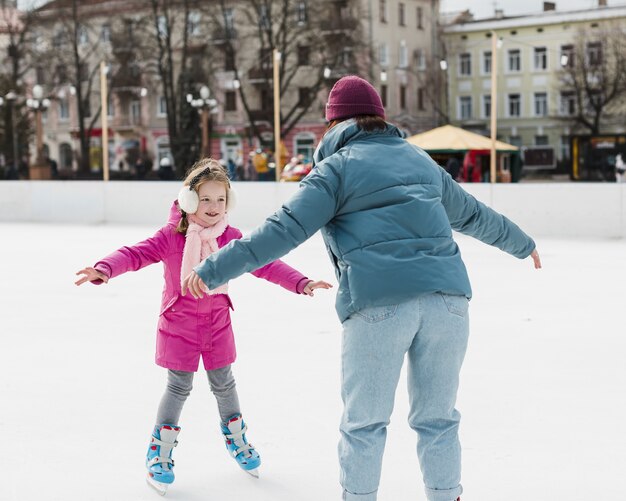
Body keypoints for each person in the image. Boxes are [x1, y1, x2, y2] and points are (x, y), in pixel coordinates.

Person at [182, 76, 542, 501]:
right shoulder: (420, 160)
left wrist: (213, 267)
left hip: (379, 304)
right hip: (448, 302)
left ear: (334, 123)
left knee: (365, 423)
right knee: (438, 419)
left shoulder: (334, 169)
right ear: (380, 119)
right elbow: (474, 214)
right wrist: (524, 244)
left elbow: (281, 231)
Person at [75, 158, 331, 495]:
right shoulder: (171, 236)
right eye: (205, 199)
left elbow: (265, 263)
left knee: (224, 383)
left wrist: (301, 282)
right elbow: (135, 254)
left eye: (220, 199)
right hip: (178, 323)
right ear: (189, 200)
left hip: (217, 323)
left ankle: (236, 438)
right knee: (179, 386)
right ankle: (160, 451)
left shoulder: (231, 237)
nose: (213, 207)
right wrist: (104, 268)